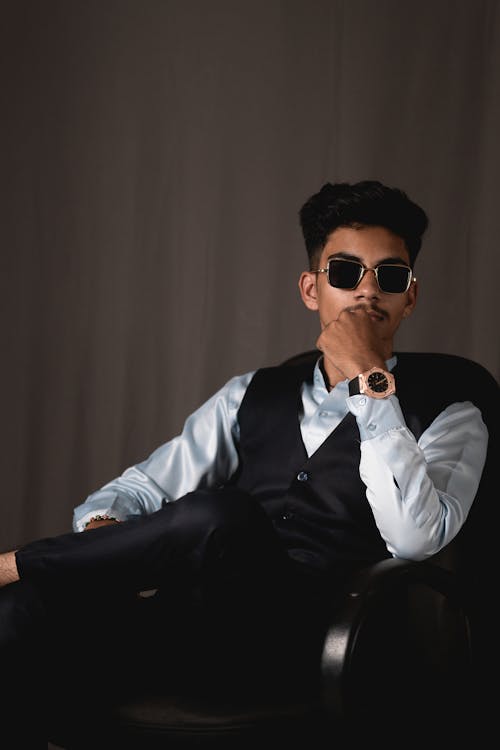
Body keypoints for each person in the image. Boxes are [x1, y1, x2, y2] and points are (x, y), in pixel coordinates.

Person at [0, 180, 491, 746]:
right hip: (187, 629)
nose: (367, 293)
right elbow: (135, 490)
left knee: (219, 514)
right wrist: (110, 537)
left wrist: (369, 384)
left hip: (312, 648)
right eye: (345, 273)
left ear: (410, 296)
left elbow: (413, 538)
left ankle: (16, 560)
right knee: (17, 612)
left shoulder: (454, 411)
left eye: (390, 276)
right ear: (311, 290)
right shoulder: (249, 393)